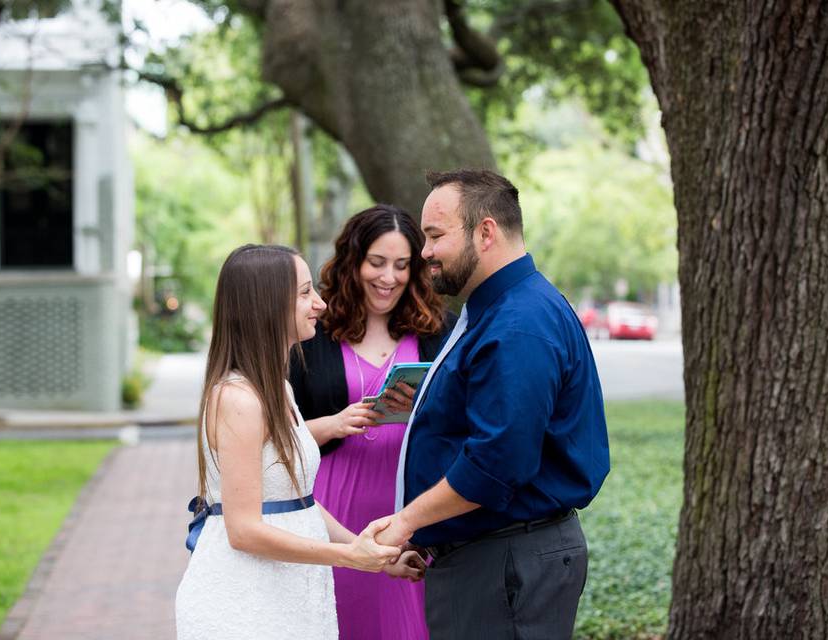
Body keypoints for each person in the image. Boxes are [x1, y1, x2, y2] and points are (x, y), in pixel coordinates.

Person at [378, 170, 610, 639]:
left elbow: (496, 463)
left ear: (485, 232)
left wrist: (407, 522)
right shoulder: (500, 308)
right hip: (493, 557)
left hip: (504, 563)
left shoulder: (518, 323)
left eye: (435, 235)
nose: (424, 252)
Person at [175, 244, 424, 640]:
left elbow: (299, 500)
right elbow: (243, 531)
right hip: (246, 603)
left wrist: (371, 553)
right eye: (306, 293)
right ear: (268, 305)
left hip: (291, 592)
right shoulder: (237, 398)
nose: (321, 304)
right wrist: (349, 558)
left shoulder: (278, 389)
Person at [289, 205, 451, 640]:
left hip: (410, 509)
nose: (389, 277)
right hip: (332, 504)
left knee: (408, 625)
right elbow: (275, 439)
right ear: (353, 261)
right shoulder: (312, 335)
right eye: (376, 263)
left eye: (402, 265)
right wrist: (335, 422)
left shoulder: (440, 332)